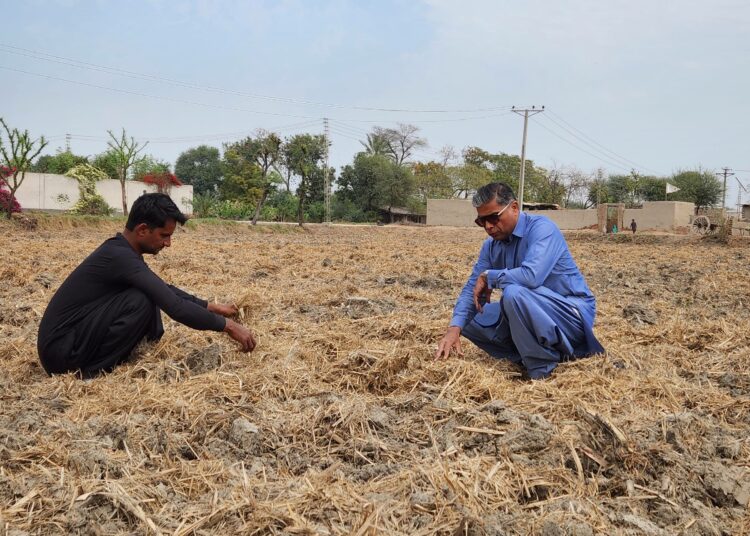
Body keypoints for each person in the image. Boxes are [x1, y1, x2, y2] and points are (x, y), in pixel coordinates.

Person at [37, 193, 256, 377]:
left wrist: (211, 306)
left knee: (148, 293)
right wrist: (228, 326)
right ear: (142, 230)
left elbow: (162, 288)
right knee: (142, 299)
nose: (168, 244)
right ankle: (92, 372)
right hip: (61, 353)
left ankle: (121, 356)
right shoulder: (119, 256)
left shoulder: (123, 252)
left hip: (70, 342)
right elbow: (175, 307)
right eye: (164, 235)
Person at [435, 182, 604, 379]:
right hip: (530, 311)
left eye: (494, 217)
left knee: (513, 293)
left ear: (514, 208)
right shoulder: (490, 246)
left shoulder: (542, 229)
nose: (489, 226)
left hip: (570, 315)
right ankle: (527, 354)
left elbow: (531, 277)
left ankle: (541, 369)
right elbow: (472, 288)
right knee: (469, 317)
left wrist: (490, 277)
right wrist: (454, 329)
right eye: (482, 221)